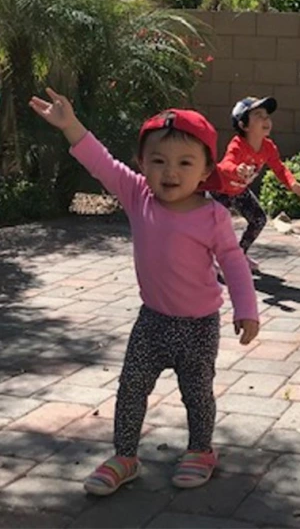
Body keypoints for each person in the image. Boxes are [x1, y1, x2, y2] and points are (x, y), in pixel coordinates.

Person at [29, 89, 260, 495]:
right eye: (158, 161)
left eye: (185, 162)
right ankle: (125, 456)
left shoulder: (213, 216)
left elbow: (235, 264)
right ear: (142, 164)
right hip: (151, 320)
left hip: (199, 325)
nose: (170, 172)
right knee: (131, 387)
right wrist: (70, 125)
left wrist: (247, 309)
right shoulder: (138, 195)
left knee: (197, 392)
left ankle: (201, 450)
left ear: (206, 169)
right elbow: (101, 163)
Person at [213, 96, 300, 273]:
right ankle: (211, 261)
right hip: (219, 191)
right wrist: (236, 169)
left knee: (259, 220)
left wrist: (293, 184)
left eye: (267, 115)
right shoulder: (237, 144)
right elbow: (224, 165)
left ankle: (239, 255)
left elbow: (280, 169)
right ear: (244, 125)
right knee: (217, 227)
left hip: (239, 191)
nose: (266, 119)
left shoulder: (268, 147)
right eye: (258, 115)